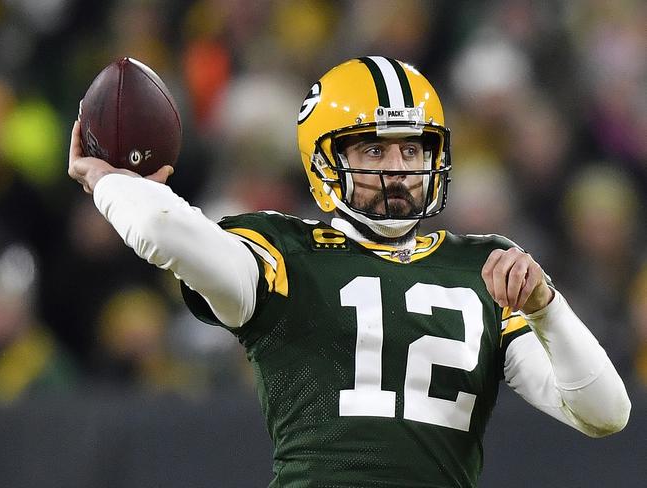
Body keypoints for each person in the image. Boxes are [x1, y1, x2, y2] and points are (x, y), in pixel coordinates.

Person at [68, 56, 630, 487]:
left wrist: (546, 307)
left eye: (413, 151)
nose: (399, 171)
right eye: (375, 152)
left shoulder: (481, 265)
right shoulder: (283, 251)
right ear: (322, 159)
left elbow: (606, 413)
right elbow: (164, 231)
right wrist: (111, 180)